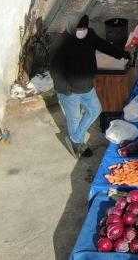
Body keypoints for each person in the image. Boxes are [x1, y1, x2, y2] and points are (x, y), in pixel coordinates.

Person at [49, 15, 129, 158]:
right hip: (69, 91)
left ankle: (75, 137)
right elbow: (55, 70)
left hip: (87, 87)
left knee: (95, 110)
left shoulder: (89, 35)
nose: (82, 31)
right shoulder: (62, 44)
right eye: (79, 29)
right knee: (74, 119)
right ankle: (77, 143)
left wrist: (122, 54)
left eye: (84, 28)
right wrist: (66, 89)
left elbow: (103, 45)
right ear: (72, 29)